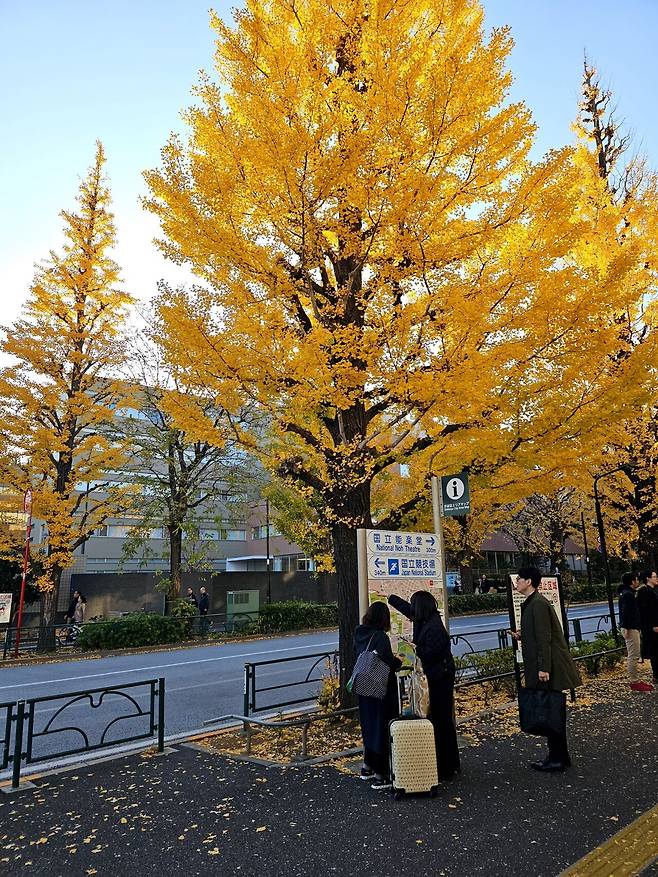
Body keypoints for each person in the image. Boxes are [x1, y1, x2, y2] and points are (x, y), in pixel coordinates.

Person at [511, 567, 581, 772]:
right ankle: (559, 756)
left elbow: (544, 638)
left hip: (549, 667)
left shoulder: (538, 604)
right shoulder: (534, 602)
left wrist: (543, 668)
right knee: (552, 711)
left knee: (551, 712)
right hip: (547, 665)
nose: (517, 582)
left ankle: (557, 758)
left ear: (529, 581)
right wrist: (522, 636)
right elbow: (539, 634)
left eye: (520, 579)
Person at [388, 590, 461, 780]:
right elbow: (407, 609)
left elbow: (431, 654)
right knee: (438, 718)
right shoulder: (426, 619)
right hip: (437, 676)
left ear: (419, 607)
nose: (411, 607)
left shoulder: (434, 628)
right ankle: (445, 763)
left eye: (414, 604)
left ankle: (447, 767)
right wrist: (390, 597)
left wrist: (416, 648)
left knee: (442, 720)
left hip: (441, 678)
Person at [354, 601, 402, 790]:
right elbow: (387, 662)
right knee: (382, 727)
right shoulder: (381, 637)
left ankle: (367, 766)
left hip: (363, 688)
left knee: (369, 726)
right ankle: (381, 775)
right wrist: (398, 662)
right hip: (380, 689)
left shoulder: (359, 633)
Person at [618, 572, 653, 692]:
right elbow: (626, 612)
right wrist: (627, 627)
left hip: (630, 627)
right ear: (632, 581)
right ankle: (634, 681)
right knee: (633, 655)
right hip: (631, 628)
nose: (638, 582)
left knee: (633, 655)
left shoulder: (626, 593)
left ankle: (635, 680)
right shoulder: (628, 595)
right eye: (637, 580)